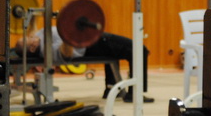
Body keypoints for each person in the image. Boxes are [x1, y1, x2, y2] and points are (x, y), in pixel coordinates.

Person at [15, 26, 153, 103]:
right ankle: (135, 93)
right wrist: (67, 31)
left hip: (91, 38)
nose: (32, 36)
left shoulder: (39, 39)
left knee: (119, 52)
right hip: (93, 44)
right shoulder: (48, 50)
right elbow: (67, 53)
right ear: (32, 48)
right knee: (139, 50)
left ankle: (111, 89)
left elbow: (32, 26)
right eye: (29, 38)